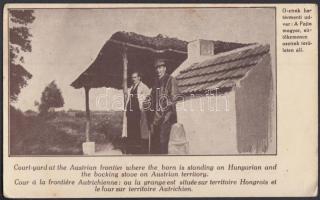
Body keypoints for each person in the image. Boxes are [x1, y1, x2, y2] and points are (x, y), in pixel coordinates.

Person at [149, 59, 180, 154]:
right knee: (156, 143)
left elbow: (174, 98)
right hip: (156, 117)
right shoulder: (156, 82)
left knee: (163, 143)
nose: (159, 70)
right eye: (157, 68)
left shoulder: (171, 80)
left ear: (165, 68)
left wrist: (164, 108)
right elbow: (152, 98)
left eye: (161, 68)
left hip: (167, 117)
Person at [122, 72, 151, 154]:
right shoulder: (131, 88)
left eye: (135, 77)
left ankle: (138, 151)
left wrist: (143, 108)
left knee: (138, 132)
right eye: (132, 78)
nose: (133, 79)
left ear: (139, 78)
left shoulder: (144, 87)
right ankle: (132, 150)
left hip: (138, 114)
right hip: (130, 114)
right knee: (131, 132)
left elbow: (148, 98)